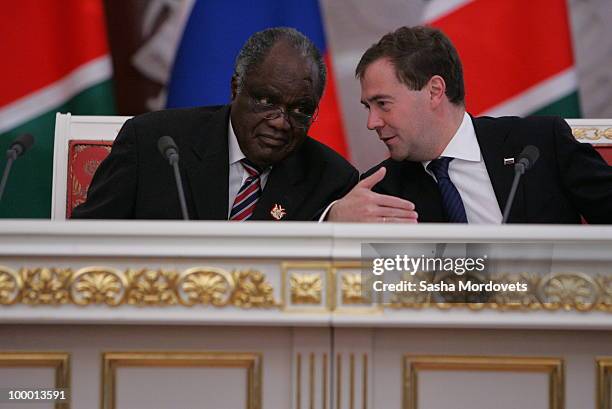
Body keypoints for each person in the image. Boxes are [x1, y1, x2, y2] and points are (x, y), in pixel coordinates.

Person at [328, 26, 612, 223]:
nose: (371, 122)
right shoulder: (381, 190)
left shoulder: (539, 144)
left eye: (383, 104)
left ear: (434, 91)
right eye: (368, 107)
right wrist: (335, 218)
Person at [72, 27, 358, 221]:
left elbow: (372, 282)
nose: (282, 123)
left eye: (300, 110)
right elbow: (84, 242)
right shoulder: (153, 143)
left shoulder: (330, 179)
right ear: (236, 88)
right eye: (267, 102)